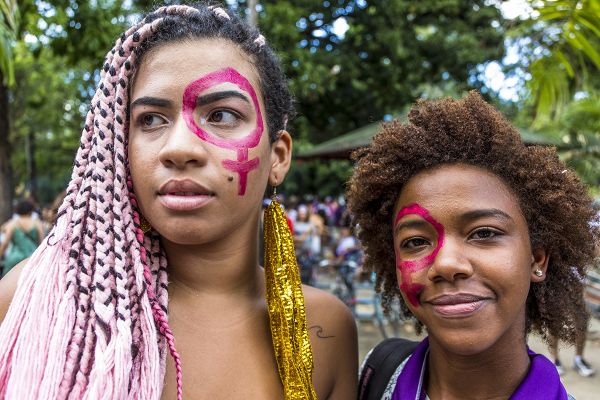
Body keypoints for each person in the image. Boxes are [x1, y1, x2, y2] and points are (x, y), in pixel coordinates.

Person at [0, 3, 357, 399]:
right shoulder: (37, 303)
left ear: (278, 157)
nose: (180, 148)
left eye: (221, 115)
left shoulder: (327, 329)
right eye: (151, 119)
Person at [348, 92, 598, 399]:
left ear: (537, 259)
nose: (447, 264)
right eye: (415, 241)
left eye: (484, 233)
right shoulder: (373, 375)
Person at [0, 199, 44, 277]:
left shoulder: (12, 224)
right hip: (33, 259)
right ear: (31, 210)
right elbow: (42, 243)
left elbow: (5, 244)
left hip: (14, 260)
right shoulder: (37, 223)